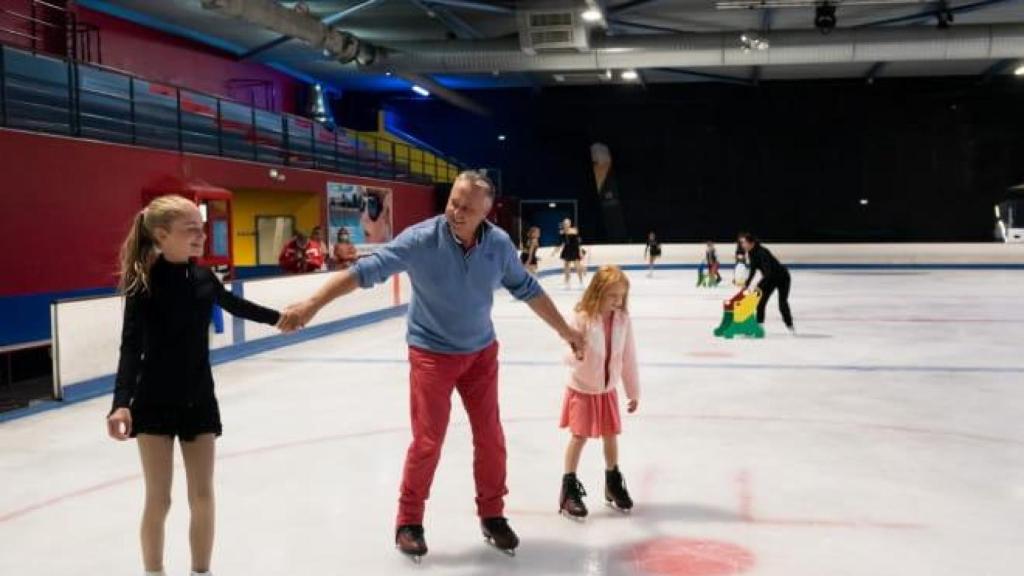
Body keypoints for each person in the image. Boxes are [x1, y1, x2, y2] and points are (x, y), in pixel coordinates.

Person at [277, 171, 586, 561]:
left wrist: (566, 331)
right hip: (431, 354)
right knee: (428, 441)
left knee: (490, 437)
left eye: (467, 207)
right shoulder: (421, 239)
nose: (456, 211)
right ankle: (409, 521)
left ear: (486, 213)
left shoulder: (499, 245)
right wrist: (311, 304)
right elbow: (362, 273)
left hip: (480, 354)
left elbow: (527, 289)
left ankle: (492, 514)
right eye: (453, 201)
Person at [106, 195, 281, 576]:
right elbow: (130, 347)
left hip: (199, 398)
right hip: (152, 401)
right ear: (161, 234)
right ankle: (155, 571)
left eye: (201, 229)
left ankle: (202, 571)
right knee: (160, 498)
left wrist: (281, 318)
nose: (201, 236)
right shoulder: (143, 284)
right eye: (191, 230)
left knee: (202, 495)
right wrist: (121, 402)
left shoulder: (203, 278)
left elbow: (238, 306)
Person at [559, 266, 640, 520]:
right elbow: (567, 349)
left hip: (607, 390)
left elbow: (628, 357)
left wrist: (632, 391)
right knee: (579, 436)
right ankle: (569, 487)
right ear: (598, 292)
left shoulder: (623, 320)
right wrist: (576, 354)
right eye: (612, 296)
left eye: (621, 296)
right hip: (583, 388)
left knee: (610, 435)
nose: (617, 301)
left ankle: (612, 481)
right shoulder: (582, 317)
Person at [738, 232, 795, 333]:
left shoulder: (762, 252)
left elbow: (768, 272)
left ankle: (790, 325)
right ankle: (759, 328)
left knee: (782, 303)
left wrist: (758, 286)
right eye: (741, 243)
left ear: (751, 243)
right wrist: (747, 284)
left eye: (744, 242)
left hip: (782, 277)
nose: (742, 245)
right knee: (760, 302)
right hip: (770, 278)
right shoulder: (751, 252)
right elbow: (753, 269)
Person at [553, 218, 585, 287]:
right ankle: (567, 281)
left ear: (570, 224)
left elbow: (578, 243)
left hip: (574, 249)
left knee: (577, 266)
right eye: (565, 223)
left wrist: (580, 252)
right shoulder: (562, 232)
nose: (566, 224)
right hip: (567, 249)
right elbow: (560, 243)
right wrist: (555, 250)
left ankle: (581, 281)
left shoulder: (574, 231)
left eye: (567, 223)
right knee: (566, 266)